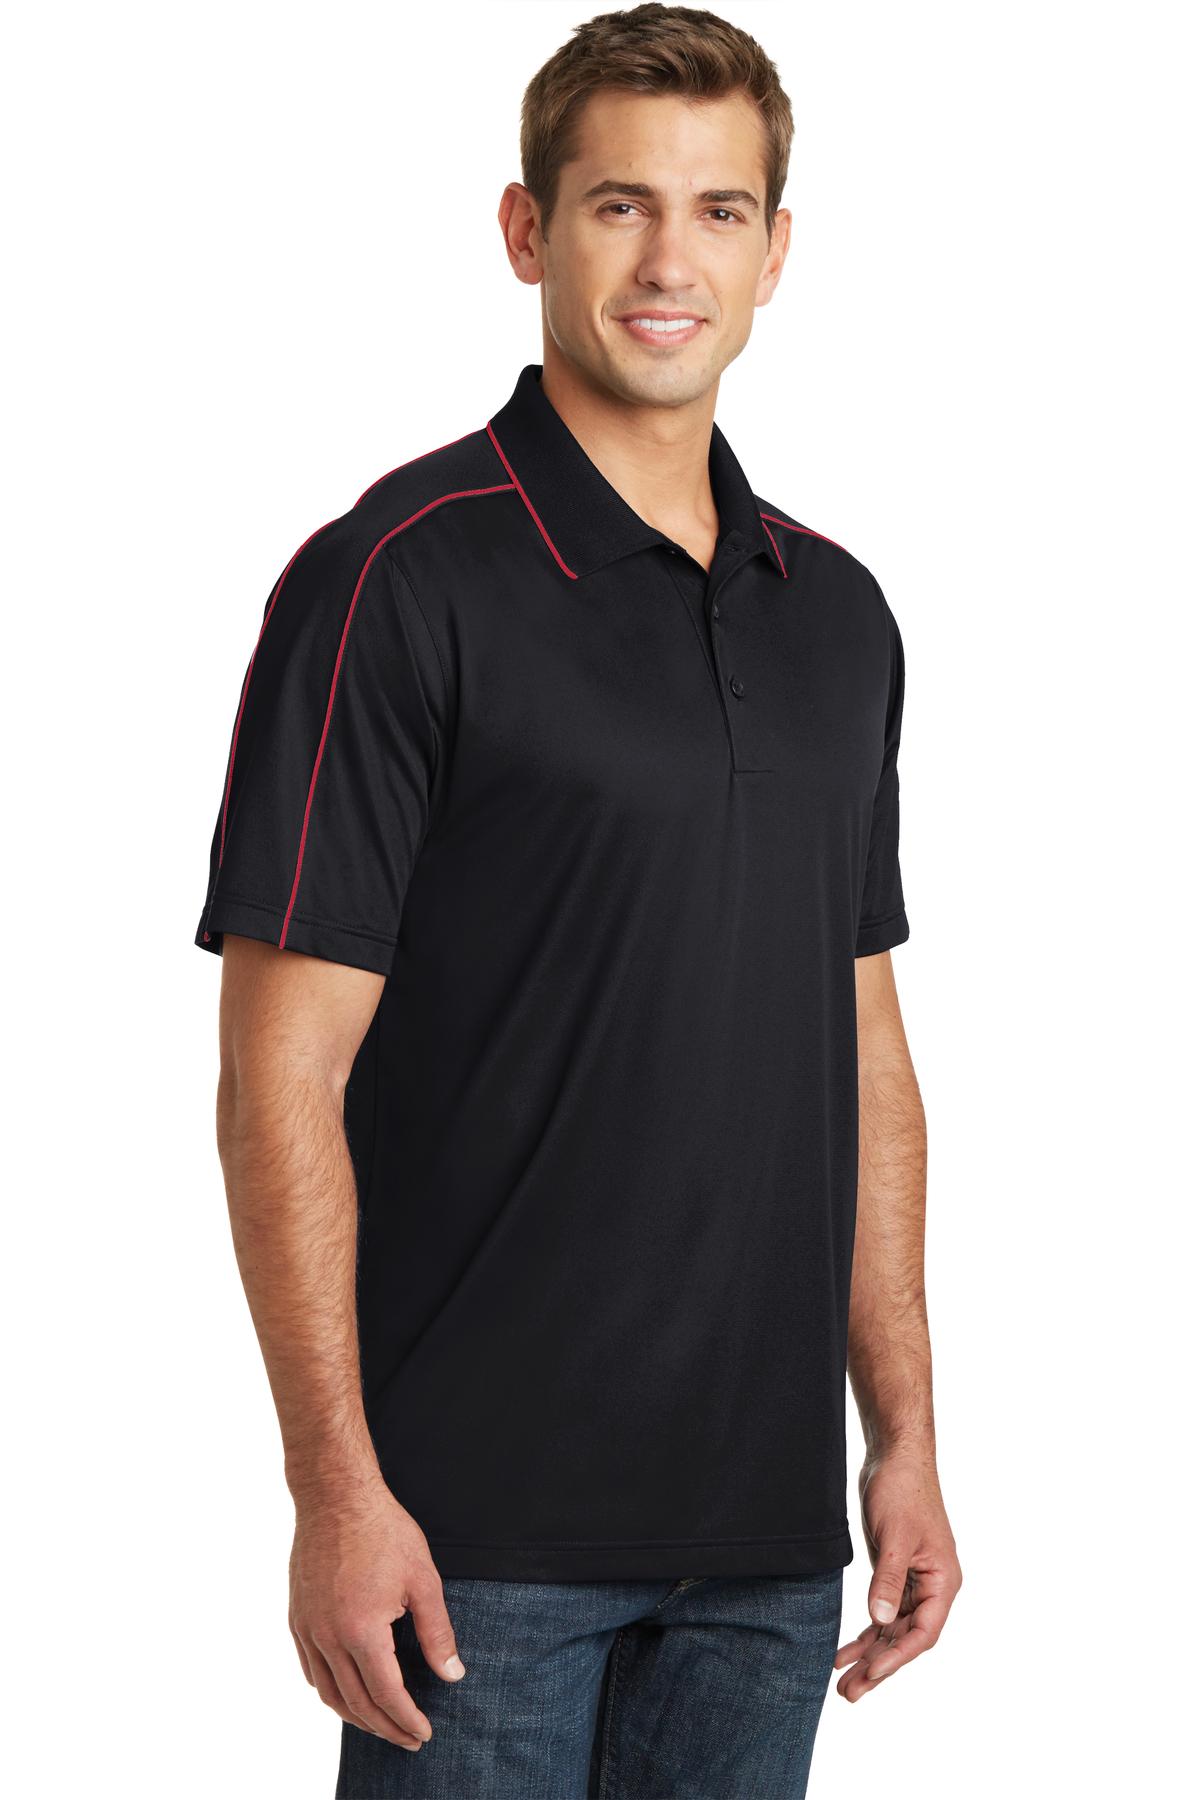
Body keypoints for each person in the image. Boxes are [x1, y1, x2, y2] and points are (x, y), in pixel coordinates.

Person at [194, 5, 961, 1794]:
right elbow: (278, 1075)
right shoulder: (396, 580)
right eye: (621, 205)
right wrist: (334, 1488)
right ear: (528, 231)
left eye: (717, 211)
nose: (669, 260)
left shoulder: (839, 616)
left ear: (777, 251)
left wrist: (906, 1437)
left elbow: (867, 1053)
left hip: (768, 1547)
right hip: (474, 1549)